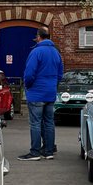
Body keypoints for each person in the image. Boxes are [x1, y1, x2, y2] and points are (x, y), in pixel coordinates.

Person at [19, 27, 64, 161]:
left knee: (35, 123)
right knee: (49, 122)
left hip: (36, 93)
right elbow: (60, 73)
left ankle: (35, 152)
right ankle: (48, 151)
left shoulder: (36, 51)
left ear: (39, 37)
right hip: (50, 92)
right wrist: (53, 85)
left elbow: (29, 73)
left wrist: (28, 86)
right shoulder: (56, 52)